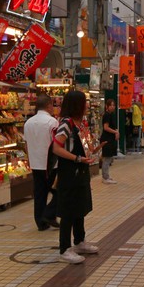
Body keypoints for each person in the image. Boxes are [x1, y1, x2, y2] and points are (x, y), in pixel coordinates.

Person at [51, 90, 100, 264]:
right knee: (68, 210)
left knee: (80, 206)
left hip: (81, 172)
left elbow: (83, 146)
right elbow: (56, 148)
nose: (87, 105)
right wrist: (77, 158)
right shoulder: (66, 123)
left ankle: (79, 241)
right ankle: (64, 248)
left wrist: (93, 150)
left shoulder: (81, 123)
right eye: (84, 102)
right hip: (69, 172)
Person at [24, 93, 60, 231]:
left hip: (35, 162)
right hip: (50, 163)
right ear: (49, 105)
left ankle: (40, 222)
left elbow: (26, 144)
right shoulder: (52, 122)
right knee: (57, 189)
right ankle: (49, 214)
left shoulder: (28, 123)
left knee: (39, 192)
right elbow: (56, 144)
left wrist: (29, 159)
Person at [100, 97, 119, 185]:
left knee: (109, 158)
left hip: (110, 139)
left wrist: (116, 132)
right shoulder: (107, 115)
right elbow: (106, 127)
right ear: (107, 106)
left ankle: (106, 175)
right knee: (106, 158)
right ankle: (105, 177)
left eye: (113, 105)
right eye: (110, 105)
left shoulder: (111, 115)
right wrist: (115, 132)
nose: (112, 107)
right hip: (106, 139)